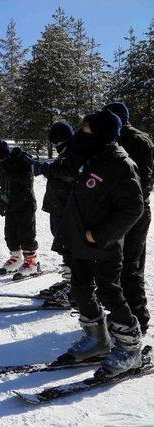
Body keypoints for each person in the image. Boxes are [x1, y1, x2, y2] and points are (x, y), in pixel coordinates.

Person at [53, 110, 144, 377]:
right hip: (78, 241)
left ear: (102, 133)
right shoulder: (89, 157)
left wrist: (101, 235)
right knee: (80, 289)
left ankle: (130, 349)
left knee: (109, 293)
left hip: (102, 246)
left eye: (87, 128)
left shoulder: (120, 164)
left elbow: (133, 208)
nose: (81, 132)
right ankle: (97, 340)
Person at [103, 102, 153, 335]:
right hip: (120, 211)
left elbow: (145, 178)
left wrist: (133, 206)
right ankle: (123, 314)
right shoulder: (115, 139)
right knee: (118, 263)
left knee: (130, 265)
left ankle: (138, 319)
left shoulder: (136, 140)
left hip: (134, 212)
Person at [32, 121, 77, 301]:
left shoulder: (73, 153)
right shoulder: (66, 153)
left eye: (58, 142)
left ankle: (76, 287)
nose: (56, 146)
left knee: (69, 247)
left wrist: (46, 169)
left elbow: (67, 173)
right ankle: (69, 281)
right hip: (58, 206)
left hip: (67, 208)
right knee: (63, 246)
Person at [0, 140, 39, 277]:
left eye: (1, 157)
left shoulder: (20, 160)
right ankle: (16, 258)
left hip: (25, 205)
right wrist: (1, 202)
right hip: (11, 205)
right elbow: (3, 186)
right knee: (10, 235)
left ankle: (31, 262)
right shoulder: (3, 165)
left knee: (26, 234)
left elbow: (27, 180)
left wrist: (10, 170)